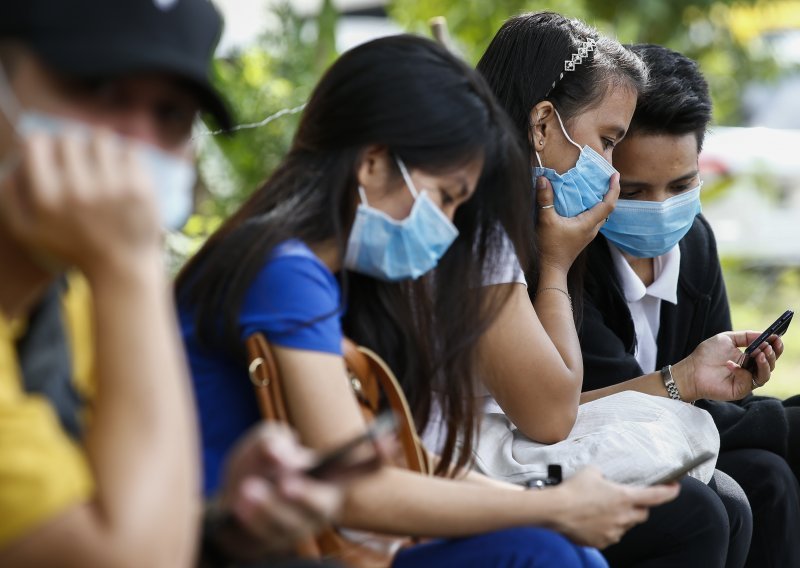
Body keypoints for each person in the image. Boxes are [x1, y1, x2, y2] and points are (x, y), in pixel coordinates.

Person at [176, 33, 680, 568]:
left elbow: (393, 461)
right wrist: (549, 506)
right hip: (216, 543)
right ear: (372, 163)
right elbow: (357, 491)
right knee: (544, 551)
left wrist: (544, 504)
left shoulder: (321, 275)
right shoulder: (287, 273)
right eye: (444, 197)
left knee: (563, 549)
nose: (444, 228)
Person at [0, 2, 342, 566]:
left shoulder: (73, 294)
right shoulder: (112, 276)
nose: (135, 144)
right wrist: (132, 263)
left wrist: (222, 522)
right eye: (101, 89)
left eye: (172, 115)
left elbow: (91, 514)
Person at [462, 12, 780, 567]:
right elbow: (552, 416)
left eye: (681, 184)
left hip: (495, 454)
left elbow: (550, 410)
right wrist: (558, 267)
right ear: (541, 126)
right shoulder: (486, 236)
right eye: (608, 142)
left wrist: (687, 377)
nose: (610, 172)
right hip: (463, 475)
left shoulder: (507, 228)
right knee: (698, 513)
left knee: (733, 497)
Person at [579, 43, 800, 567]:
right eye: (633, 191)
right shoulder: (569, 264)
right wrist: (783, 423)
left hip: (679, 448)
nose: (659, 209)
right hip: (599, 458)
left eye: (681, 185)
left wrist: (737, 386)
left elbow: (713, 405)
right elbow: (620, 414)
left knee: (770, 477)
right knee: (732, 491)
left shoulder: (694, 240)